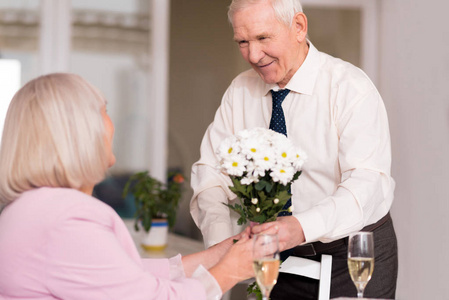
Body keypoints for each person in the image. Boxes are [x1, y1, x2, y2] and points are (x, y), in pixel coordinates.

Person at [190, 0, 398, 299]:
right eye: (243, 42)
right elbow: (210, 175)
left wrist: (300, 227)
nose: (253, 54)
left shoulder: (350, 87)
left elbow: (368, 183)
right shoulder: (239, 91)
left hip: (351, 254)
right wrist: (225, 246)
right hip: (274, 256)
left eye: (263, 38)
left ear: (299, 27)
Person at [0, 73, 254, 300]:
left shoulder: (27, 209)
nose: (111, 123)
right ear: (81, 132)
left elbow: (116, 276)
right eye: (104, 111)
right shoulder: (69, 219)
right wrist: (228, 272)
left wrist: (217, 255)